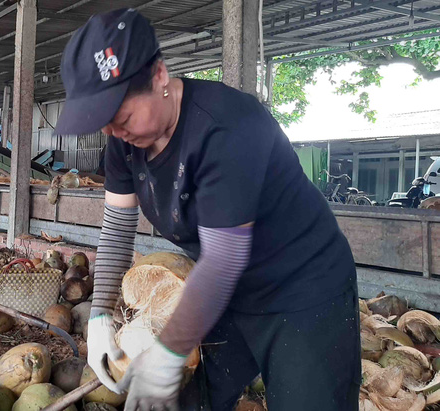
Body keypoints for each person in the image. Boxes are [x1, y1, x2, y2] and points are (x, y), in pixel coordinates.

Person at [54, 9, 360, 411]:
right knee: (188, 399)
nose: (114, 131)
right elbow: (116, 229)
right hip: (229, 292)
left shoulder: (226, 128)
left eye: (122, 116)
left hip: (302, 288)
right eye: (105, 122)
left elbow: (224, 257)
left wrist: (168, 352)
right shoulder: (124, 142)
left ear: (160, 76)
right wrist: (99, 315)